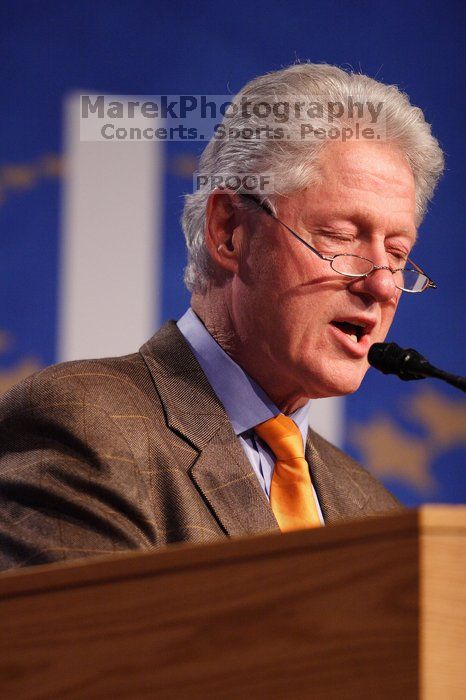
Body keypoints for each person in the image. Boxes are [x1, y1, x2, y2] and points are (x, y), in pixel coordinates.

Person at [0, 63, 444, 571]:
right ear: (231, 230)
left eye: (397, 253)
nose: (383, 283)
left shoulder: (370, 507)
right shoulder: (87, 426)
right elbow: (85, 647)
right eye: (342, 237)